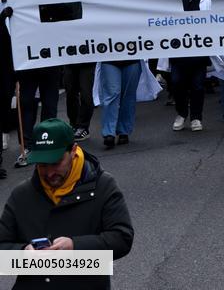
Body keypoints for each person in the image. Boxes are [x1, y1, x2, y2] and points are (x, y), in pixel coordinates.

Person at [0, 118, 134, 288]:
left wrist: (75, 246)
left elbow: (122, 238)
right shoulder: (21, 194)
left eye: (56, 163)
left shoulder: (103, 186)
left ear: (73, 150)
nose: (49, 173)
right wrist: (22, 254)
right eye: (42, 165)